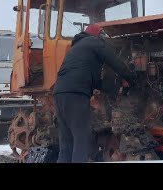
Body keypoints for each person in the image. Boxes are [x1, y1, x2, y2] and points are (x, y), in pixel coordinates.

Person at [52, 23, 137, 163]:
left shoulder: (77, 48)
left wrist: (115, 89)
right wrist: (132, 79)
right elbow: (115, 62)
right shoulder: (94, 42)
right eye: (103, 36)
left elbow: (95, 81)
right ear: (98, 35)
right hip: (76, 94)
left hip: (59, 93)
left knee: (67, 141)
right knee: (82, 137)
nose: (104, 40)